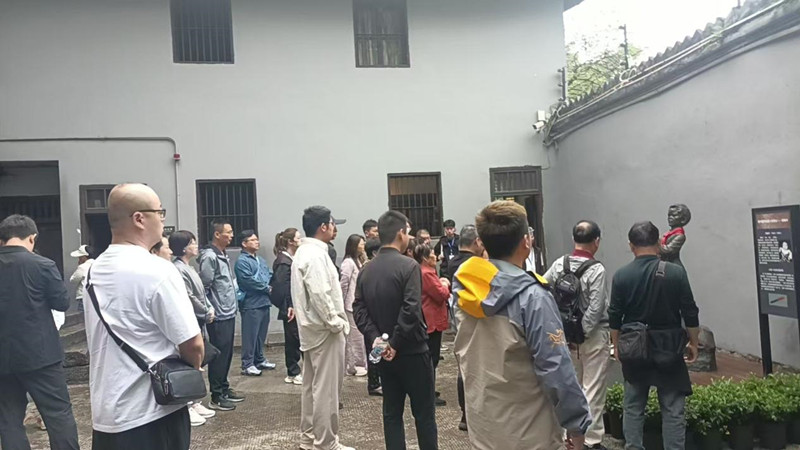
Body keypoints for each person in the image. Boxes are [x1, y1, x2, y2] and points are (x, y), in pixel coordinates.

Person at [452, 200, 590, 450]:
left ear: (482, 243)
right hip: (529, 432)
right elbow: (556, 368)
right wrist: (576, 424)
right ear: (526, 242)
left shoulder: (464, 288)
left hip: (483, 427)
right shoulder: (533, 297)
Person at [84, 184, 203, 450]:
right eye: (159, 212)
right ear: (139, 218)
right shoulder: (157, 270)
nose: (162, 219)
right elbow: (193, 344)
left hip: (107, 412)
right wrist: (193, 368)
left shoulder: (94, 270)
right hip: (153, 411)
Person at [610, 221, 700, 450]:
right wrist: (693, 342)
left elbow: (615, 315)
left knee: (633, 406)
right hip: (669, 348)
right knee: (673, 409)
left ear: (631, 245)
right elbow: (690, 311)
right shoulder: (676, 273)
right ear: (659, 243)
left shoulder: (621, 275)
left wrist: (616, 345)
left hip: (634, 348)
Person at [354, 211, 438, 450]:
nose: (409, 237)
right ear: (401, 233)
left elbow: (359, 309)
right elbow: (411, 309)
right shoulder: (409, 266)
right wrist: (395, 342)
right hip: (412, 350)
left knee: (391, 414)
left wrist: (378, 340)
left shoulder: (367, 269)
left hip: (384, 354)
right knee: (424, 415)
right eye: (408, 232)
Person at [0, 214, 80, 450]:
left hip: (3, 357)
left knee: (8, 419)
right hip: (41, 354)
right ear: (32, 238)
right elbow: (62, 302)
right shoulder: (42, 265)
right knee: (58, 415)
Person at [291, 206, 353, 450]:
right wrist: (335, 322)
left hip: (312, 331)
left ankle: (309, 438)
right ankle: (326, 442)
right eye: (332, 224)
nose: (335, 229)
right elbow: (320, 293)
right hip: (324, 331)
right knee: (327, 391)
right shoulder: (315, 255)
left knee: (311, 388)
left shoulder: (304, 252)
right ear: (323, 227)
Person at [543, 220, 609, 450]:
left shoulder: (559, 263)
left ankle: (568, 436)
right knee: (593, 388)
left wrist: (562, 329)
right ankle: (589, 440)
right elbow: (596, 307)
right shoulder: (597, 270)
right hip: (592, 337)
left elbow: (543, 287)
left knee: (569, 388)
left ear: (574, 239)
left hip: (564, 337)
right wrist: (582, 332)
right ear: (596, 241)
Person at [169, 230, 217, 426]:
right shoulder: (178, 269)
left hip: (200, 317)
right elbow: (189, 296)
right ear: (183, 248)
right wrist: (205, 311)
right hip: (192, 317)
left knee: (199, 359)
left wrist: (209, 307)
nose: (196, 246)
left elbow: (201, 293)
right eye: (192, 243)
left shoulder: (189, 267)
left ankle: (195, 401)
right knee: (190, 360)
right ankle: (187, 403)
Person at [198, 219, 244, 411]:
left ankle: (224, 387)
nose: (232, 235)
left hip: (228, 311)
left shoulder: (222, 254)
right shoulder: (210, 257)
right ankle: (216, 395)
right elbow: (204, 287)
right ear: (217, 234)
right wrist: (210, 309)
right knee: (218, 355)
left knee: (227, 353)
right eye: (228, 232)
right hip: (218, 314)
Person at [443, 224, 484, 432]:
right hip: (476, 322)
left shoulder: (453, 263)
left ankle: (465, 415)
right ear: (476, 242)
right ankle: (473, 414)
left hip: (459, 321)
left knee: (462, 367)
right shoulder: (475, 265)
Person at [412, 243, 450, 407]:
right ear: (425, 258)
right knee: (431, 359)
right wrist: (445, 284)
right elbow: (441, 294)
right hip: (431, 320)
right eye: (433, 253)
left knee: (430, 358)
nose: (436, 256)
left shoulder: (423, 271)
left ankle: (428, 390)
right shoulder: (427, 273)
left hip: (429, 318)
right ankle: (428, 394)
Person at [234, 230, 276, 377]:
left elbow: (269, 274)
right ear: (244, 243)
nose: (257, 242)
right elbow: (247, 281)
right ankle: (247, 364)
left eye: (257, 239)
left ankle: (259, 359)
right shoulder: (242, 262)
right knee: (250, 335)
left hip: (264, 301)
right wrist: (266, 288)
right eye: (252, 240)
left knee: (260, 334)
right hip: (251, 303)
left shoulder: (260, 260)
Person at [271, 228, 303, 385]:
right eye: (298, 238)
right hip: (290, 308)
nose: (301, 240)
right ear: (290, 242)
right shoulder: (284, 262)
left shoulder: (291, 259)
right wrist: (289, 305)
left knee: (296, 338)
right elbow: (282, 287)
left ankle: (296, 370)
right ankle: (293, 371)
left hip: (295, 305)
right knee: (293, 340)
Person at [341, 234, 368, 377]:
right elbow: (344, 283)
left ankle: (361, 363)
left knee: (360, 336)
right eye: (361, 244)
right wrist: (341, 302)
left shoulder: (358, 260)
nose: (363, 246)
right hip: (350, 304)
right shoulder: (348, 262)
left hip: (358, 304)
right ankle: (354, 365)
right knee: (353, 337)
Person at [69, 244, 95, 312]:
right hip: (96, 295)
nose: (79, 259)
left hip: (83, 296)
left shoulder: (82, 267)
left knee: (82, 316)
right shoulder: (97, 264)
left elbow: (73, 279)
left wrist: (80, 265)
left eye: (80, 257)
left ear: (84, 256)